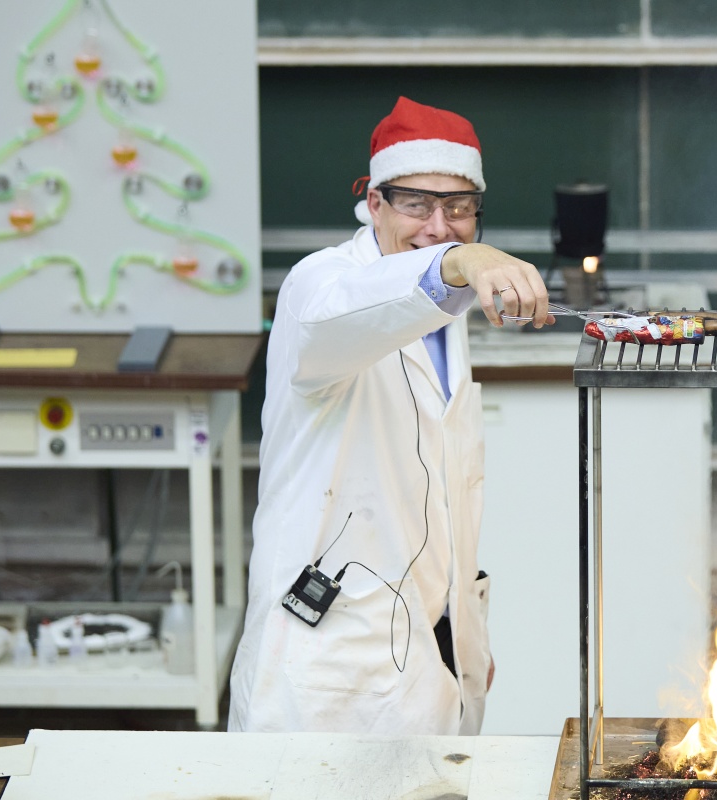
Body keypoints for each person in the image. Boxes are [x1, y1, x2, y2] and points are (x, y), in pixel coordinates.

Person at [229, 96, 552, 735]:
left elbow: (444, 494)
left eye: (458, 209)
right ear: (373, 203)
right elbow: (349, 313)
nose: (438, 226)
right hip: (327, 658)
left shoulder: (448, 314)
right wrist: (462, 260)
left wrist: (466, 631)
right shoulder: (318, 285)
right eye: (416, 204)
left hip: (425, 654)